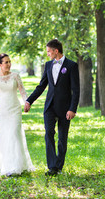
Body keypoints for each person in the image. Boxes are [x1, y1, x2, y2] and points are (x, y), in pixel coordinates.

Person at [24, 39, 80, 176]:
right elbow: (41, 86)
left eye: (49, 51)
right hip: (49, 106)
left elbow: (76, 89)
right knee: (48, 133)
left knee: (62, 138)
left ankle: (59, 167)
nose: (47, 54)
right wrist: (29, 101)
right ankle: (52, 167)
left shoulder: (71, 66)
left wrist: (72, 109)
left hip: (65, 108)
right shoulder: (48, 65)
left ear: (56, 51)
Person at [0, 53, 35, 176]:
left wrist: (27, 102)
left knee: (14, 134)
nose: (9, 64)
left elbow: (22, 91)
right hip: (2, 111)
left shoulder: (15, 76)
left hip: (15, 109)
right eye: (6, 62)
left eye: (9, 62)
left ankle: (15, 166)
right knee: (3, 136)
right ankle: (4, 164)